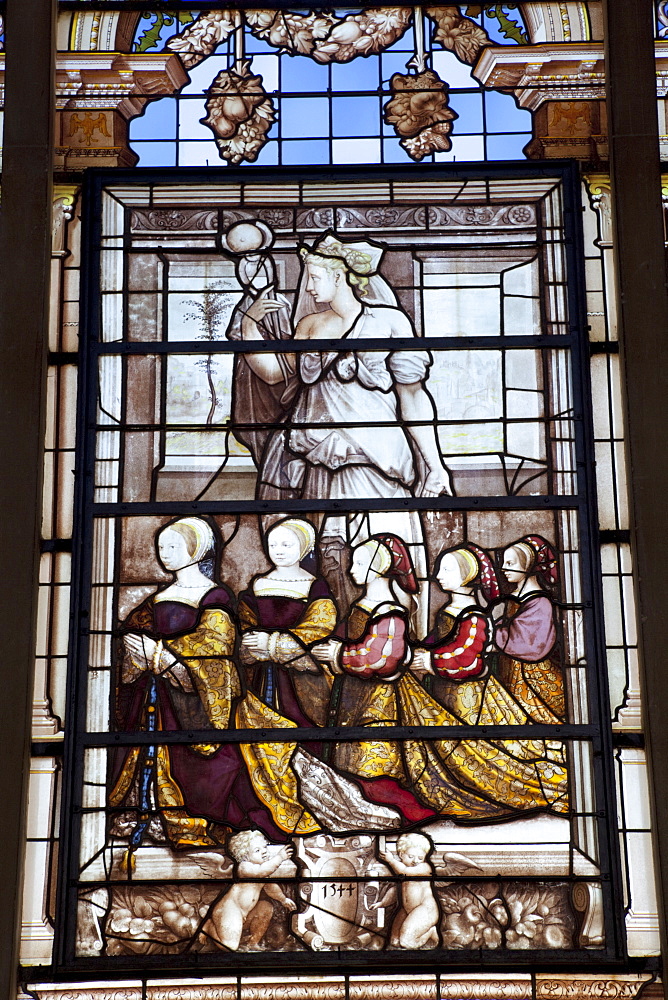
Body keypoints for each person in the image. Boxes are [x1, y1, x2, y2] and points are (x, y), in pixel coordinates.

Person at [313, 534, 569, 824]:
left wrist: (430, 661)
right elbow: (434, 644)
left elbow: (467, 656)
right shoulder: (449, 611)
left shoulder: (473, 614)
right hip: (444, 690)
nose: (437, 576)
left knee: (476, 755)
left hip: (472, 699)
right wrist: (421, 656)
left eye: (447, 570)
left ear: (466, 576)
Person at [110, 516, 320, 858]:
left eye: (173, 546)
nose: (165, 553)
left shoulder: (215, 597)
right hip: (156, 700)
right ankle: (151, 818)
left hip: (192, 705)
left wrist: (165, 658)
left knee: (208, 767)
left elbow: (217, 649)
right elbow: (132, 638)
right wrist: (140, 653)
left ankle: (198, 823)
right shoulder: (157, 599)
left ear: (196, 549)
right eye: (162, 546)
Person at [239, 231, 453, 500]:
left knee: (377, 534)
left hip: (374, 449)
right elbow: (274, 375)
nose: (307, 288)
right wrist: (248, 325)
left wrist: (435, 466)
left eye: (314, 278)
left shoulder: (389, 321)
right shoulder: (309, 325)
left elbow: (412, 395)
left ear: (338, 277)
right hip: (318, 450)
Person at [237, 517, 337, 726]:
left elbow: (320, 627)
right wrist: (250, 641)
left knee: (300, 724)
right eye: (272, 545)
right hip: (258, 671)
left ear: (304, 547)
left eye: (286, 545)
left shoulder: (315, 586)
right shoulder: (258, 584)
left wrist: (272, 644)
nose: (278, 550)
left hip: (301, 677)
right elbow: (243, 620)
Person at [221, 219, 292, 470]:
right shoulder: (244, 309)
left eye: (261, 267)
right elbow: (249, 350)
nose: (256, 274)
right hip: (254, 386)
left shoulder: (285, 304)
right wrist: (251, 319)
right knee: (265, 441)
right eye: (249, 269)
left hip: (286, 385)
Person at [492, 534, 566, 723]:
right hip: (512, 670)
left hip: (532, 677)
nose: (503, 568)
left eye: (510, 562)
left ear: (527, 565)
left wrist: (491, 634)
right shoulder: (515, 596)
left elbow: (529, 645)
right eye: (503, 562)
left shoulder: (540, 602)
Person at [204, 831, 295, 952]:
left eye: (264, 847)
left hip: (245, 914)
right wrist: (280, 857)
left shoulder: (262, 871)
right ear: (244, 855)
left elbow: (271, 888)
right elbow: (261, 871)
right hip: (230, 911)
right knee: (230, 947)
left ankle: (252, 943)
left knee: (266, 907)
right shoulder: (244, 867)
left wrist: (283, 899)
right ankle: (209, 927)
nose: (263, 851)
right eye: (257, 850)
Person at [378, 833, 439, 949]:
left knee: (407, 943)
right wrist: (383, 903)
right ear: (401, 854)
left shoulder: (424, 867)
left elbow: (404, 871)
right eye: (411, 856)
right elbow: (395, 891)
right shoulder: (402, 870)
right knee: (394, 942)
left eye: (420, 858)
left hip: (425, 909)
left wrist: (391, 860)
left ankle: (431, 932)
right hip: (406, 909)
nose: (416, 861)